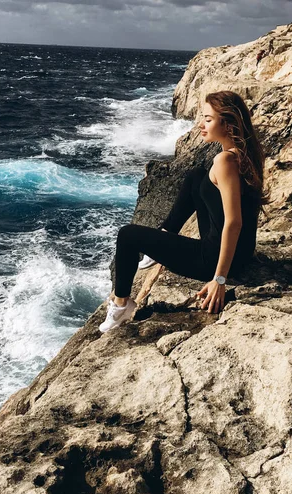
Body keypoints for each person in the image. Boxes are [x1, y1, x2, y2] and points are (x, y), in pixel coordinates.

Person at [99, 90, 267, 333]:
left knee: (127, 235)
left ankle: (121, 305)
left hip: (213, 260)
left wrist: (219, 280)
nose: (201, 124)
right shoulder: (248, 154)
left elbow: (234, 222)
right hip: (242, 251)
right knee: (197, 175)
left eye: (208, 119)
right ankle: (168, 230)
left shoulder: (224, 161)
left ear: (228, 124)